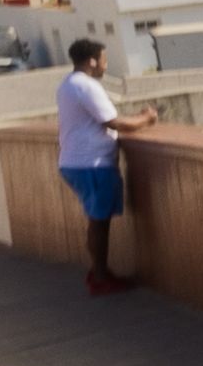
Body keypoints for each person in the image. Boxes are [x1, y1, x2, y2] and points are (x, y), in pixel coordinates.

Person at [56, 38, 157, 296]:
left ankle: (98, 272)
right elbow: (113, 123)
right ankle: (100, 278)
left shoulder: (67, 84)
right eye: (103, 59)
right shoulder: (87, 86)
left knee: (96, 220)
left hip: (75, 162)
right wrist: (146, 119)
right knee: (99, 223)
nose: (105, 65)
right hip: (92, 163)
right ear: (92, 61)